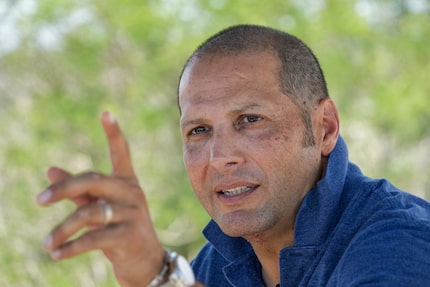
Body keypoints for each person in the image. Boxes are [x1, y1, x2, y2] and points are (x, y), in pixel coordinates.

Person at [37, 24, 430, 287]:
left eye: (250, 119)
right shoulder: (217, 263)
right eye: (199, 131)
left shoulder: (400, 243)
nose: (219, 157)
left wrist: (159, 277)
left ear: (324, 127)